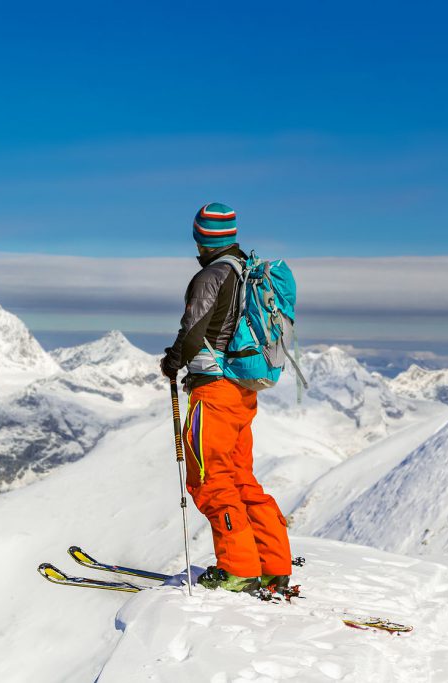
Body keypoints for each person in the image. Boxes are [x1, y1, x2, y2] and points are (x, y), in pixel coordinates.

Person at [160, 203, 292, 594]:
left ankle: (238, 569)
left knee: (209, 478)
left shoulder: (210, 276)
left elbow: (194, 331)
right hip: (241, 391)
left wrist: (172, 361)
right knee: (240, 478)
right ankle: (273, 564)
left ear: (202, 237)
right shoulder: (245, 272)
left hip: (213, 391)